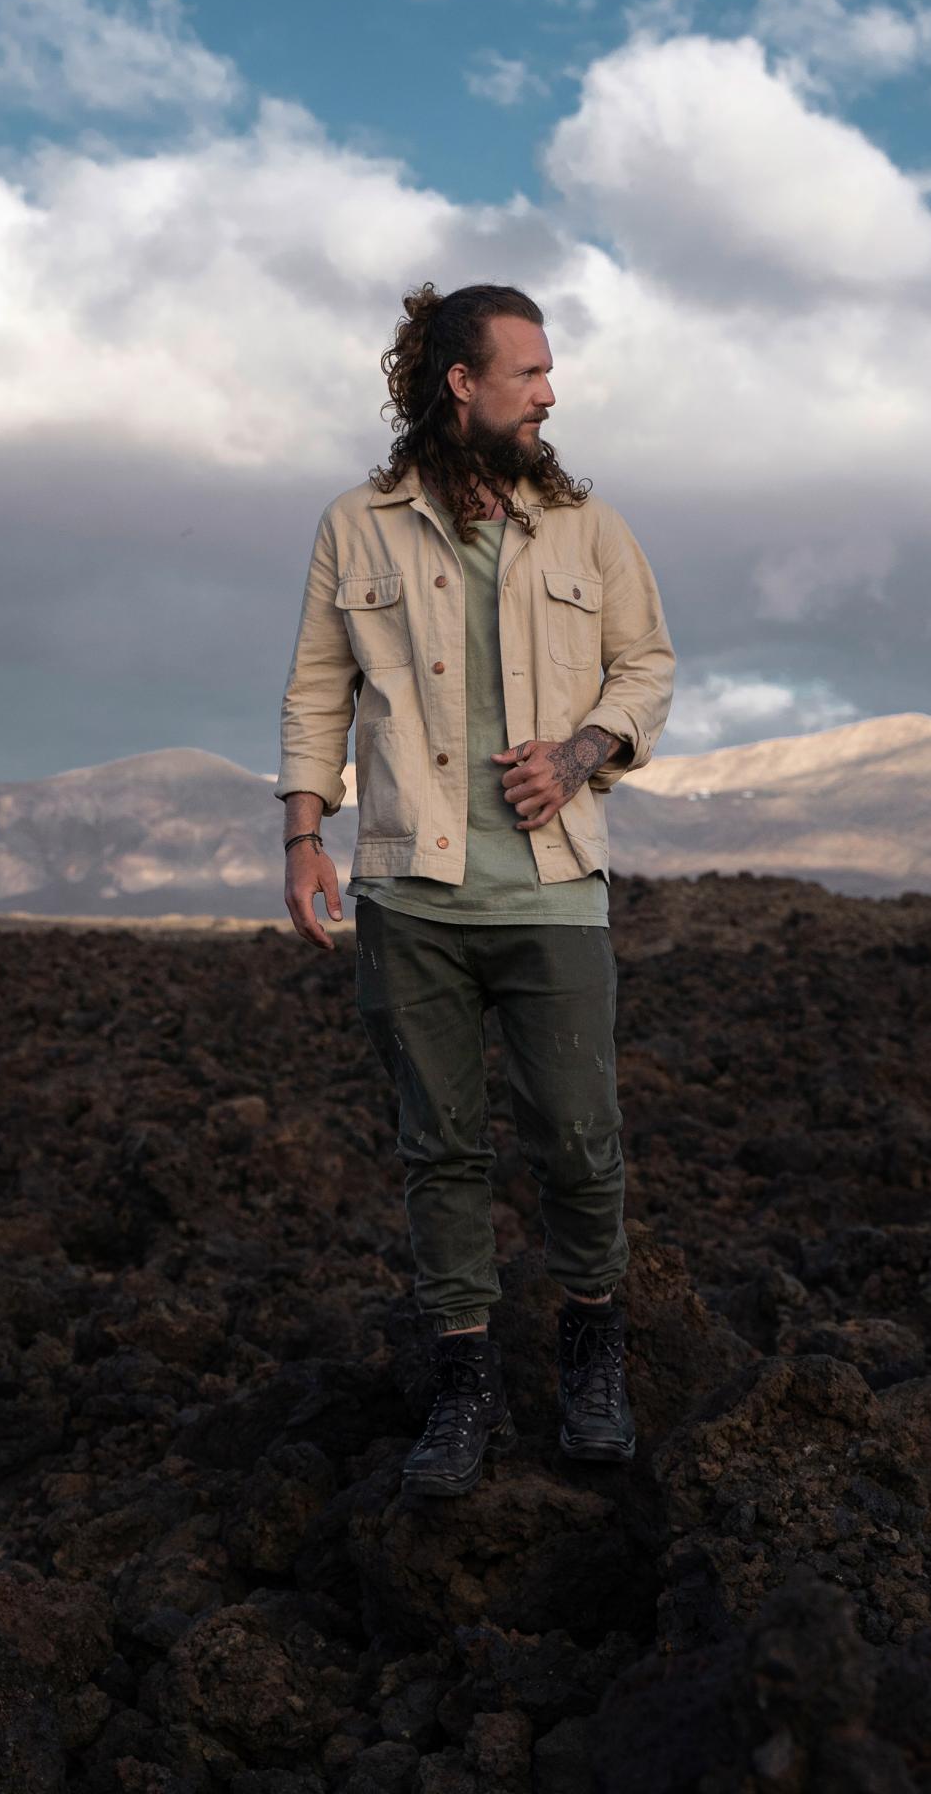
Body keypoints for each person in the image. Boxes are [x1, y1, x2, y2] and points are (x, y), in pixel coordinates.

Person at [273, 281, 675, 1497]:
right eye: (531, 373)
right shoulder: (360, 525)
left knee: (580, 1142)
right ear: (464, 383)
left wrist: (584, 753)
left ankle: (594, 1370)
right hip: (410, 891)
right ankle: (462, 1390)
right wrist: (303, 837)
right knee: (438, 1150)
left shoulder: (588, 527)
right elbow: (315, 692)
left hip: (553, 894)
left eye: (551, 375)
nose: (551, 394)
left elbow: (647, 666)